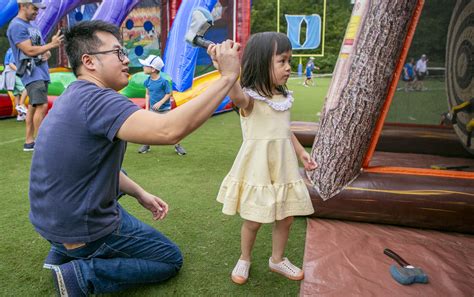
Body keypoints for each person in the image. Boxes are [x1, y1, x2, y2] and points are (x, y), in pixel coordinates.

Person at [29, 20, 240, 296]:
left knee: (116, 172)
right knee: (168, 258)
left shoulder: (74, 95)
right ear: (89, 61)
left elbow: (88, 167)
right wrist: (226, 77)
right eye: (117, 53)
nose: (126, 59)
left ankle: (63, 252)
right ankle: (80, 273)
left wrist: (141, 194)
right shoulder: (99, 100)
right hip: (81, 227)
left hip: (51, 222)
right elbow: (169, 131)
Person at [212, 32, 317, 285]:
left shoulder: (283, 98)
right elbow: (236, 96)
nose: (289, 67)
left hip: (284, 168)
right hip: (259, 168)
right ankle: (245, 258)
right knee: (254, 220)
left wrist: (301, 151)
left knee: (287, 216)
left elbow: (283, 130)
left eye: (289, 61)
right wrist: (226, 71)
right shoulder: (249, 99)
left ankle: (277, 259)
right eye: (282, 61)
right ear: (261, 63)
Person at [7, 0, 63, 151]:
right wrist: (51, 45)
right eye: (34, 8)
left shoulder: (33, 25)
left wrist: (48, 50)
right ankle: (42, 144)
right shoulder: (17, 26)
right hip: (31, 72)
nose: (37, 12)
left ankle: (29, 141)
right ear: (23, 6)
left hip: (41, 71)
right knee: (41, 105)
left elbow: (40, 47)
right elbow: (29, 51)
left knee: (33, 105)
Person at [137, 55, 187, 156]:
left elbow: (169, 93)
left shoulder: (164, 82)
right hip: (152, 110)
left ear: (153, 69)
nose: (143, 67)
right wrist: (147, 108)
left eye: (145, 65)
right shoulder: (147, 81)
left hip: (165, 110)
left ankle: (177, 146)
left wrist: (160, 103)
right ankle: (146, 145)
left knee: (171, 128)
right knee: (148, 127)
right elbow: (147, 94)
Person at [1, 48, 28, 121]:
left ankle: (20, 115)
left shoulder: (10, 49)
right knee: (26, 89)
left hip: (8, 74)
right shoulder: (15, 50)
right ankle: (21, 105)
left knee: (17, 95)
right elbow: (11, 64)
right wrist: (20, 72)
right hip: (13, 74)